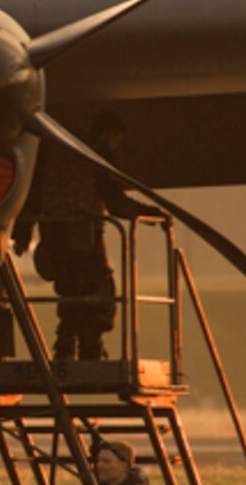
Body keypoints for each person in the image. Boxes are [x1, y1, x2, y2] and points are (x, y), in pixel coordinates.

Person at [19, 113, 154, 361]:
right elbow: (115, 203)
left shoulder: (52, 152)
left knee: (70, 289)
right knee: (96, 289)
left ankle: (66, 346)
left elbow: (33, 195)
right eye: (117, 139)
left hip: (52, 233)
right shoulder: (94, 154)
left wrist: (23, 232)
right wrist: (148, 214)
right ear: (109, 134)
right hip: (83, 233)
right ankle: (90, 345)